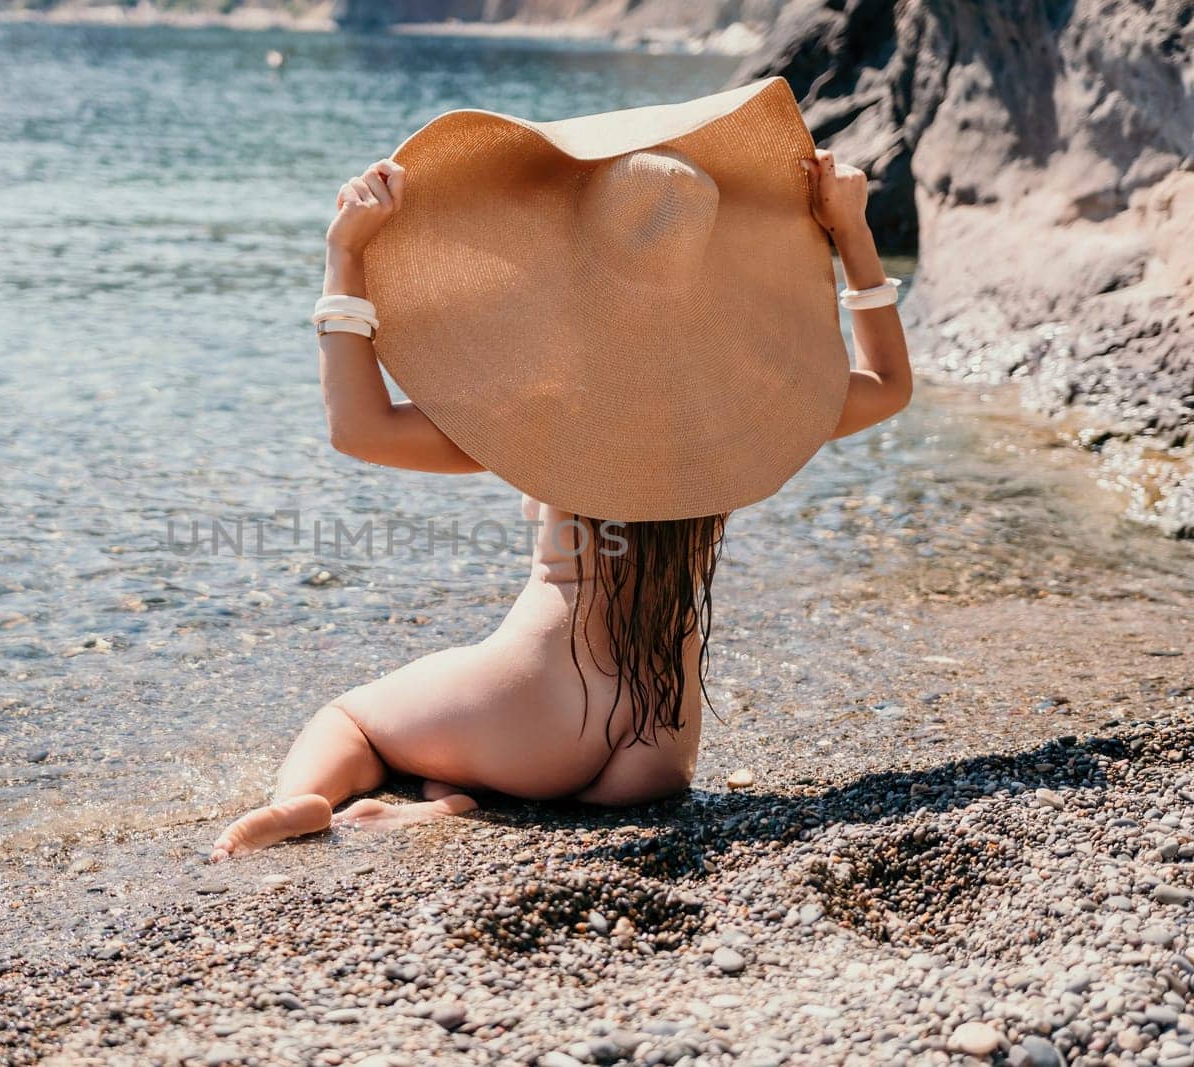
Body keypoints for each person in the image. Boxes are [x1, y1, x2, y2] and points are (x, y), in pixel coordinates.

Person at [211, 88, 912, 862]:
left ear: (575, 262)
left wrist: (344, 256)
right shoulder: (749, 400)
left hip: (540, 709)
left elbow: (360, 429)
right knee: (500, 788)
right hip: (659, 744)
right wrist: (851, 230)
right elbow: (888, 385)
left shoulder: (549, 397)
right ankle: (451, 810)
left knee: (353, 721)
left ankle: (305, 806)